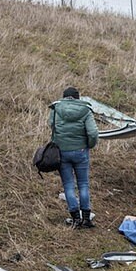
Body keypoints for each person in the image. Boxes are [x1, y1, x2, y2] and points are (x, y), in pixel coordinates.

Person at [49, 87, 99, 228]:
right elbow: (93, 133)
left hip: (62, 152)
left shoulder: (55, 108)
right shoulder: (86, 110)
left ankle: (76, 219)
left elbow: (51, 125)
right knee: (83, 184)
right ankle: (87, 219)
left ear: (64, 97)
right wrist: (89, 145)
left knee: (68, 185)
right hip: (81, 151)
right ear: (77, 98)